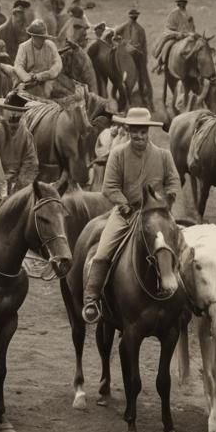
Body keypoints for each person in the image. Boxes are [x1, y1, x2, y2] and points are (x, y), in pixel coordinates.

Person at [81, 107, 179, 324]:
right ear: (127, 130)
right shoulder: (118, 154)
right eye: (134, 131)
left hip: (157, 213)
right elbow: (109, 187)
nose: (139, 135)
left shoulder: (163, 155)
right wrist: (123, 204)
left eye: (142, 131)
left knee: (183, 246)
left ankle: (186, 296)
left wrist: (166, 202)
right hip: (127, 212)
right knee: (104, 249)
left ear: (148, 131)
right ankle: (92, 299)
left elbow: (173, 181)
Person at [0, 93, 39, 191]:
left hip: (17, 181)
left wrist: (19, 186)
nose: (13, 114)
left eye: (17, 111)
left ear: (22, 113)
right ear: (4, 111)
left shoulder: (26, 134)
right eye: (10, 110)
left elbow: (31, 163)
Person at [13, 20, 62, 98]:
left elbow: (58, 64)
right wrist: (27, 77)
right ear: (33, 36)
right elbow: (18, 65)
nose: (42, 39)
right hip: (29, 82)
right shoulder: (23, 47)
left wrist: (46, 74)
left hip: (47, 79)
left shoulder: (50, 46)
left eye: (43, 37)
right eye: (39, 37)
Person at [152, 0, 194, 73]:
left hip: (188, 37)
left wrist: (191, 33)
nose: (183, 3)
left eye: (184, 2)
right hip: (176, 37)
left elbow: (192, 28)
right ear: (177, 3)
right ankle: (161, 64)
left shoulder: (189, 15)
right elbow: (168, 28)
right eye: (181, 2)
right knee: (168, 46)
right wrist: (177, 34)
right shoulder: (173, 14)